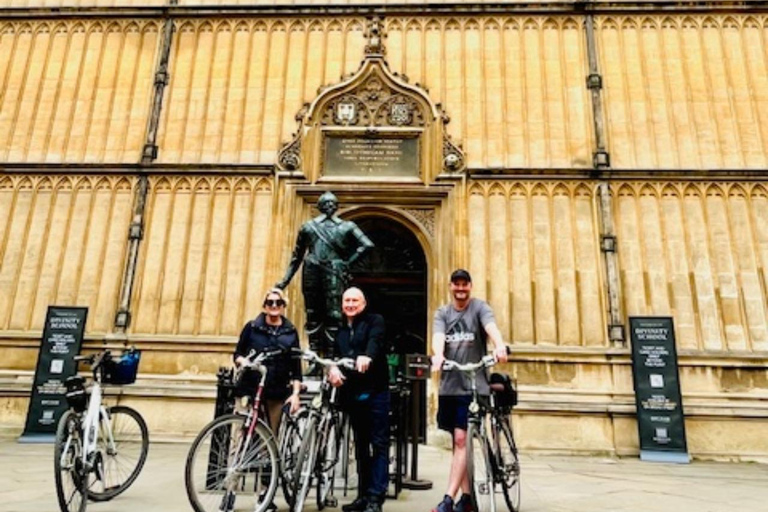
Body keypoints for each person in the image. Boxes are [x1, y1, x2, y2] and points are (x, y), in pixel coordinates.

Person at [430, 270, 509, 512]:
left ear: (470, 286)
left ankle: (447, 499)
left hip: (474, 385)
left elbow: (490, 326)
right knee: (459, 443)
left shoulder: (479, 308)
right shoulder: (443, 313)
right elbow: (438, 337)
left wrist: (499, 345)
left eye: (465, 284)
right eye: (457, 284)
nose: (461, 288)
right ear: (450, 286)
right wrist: (439, 356)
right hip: (450, 386)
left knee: (462, 439)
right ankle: (467, 499)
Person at [275, 191, 374, 357]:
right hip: (311, 269)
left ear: (336, 206)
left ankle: (331, 355)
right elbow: (297, 256)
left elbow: (367, 245)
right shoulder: (308, 227)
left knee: (334, 314)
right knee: (312, 312)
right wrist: (284, 281)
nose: (329, 206)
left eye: (332, 203)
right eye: (326, 204)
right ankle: (314, 356)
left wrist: (347, 262)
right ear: (320, 206)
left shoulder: (347, 226)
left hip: (333, 270)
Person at [328, 287, 389, 512]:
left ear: (363, 303)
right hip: (353, 394)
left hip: (375, 392)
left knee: (379, 444)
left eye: (355, 300)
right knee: (361, 446)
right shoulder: (341, 329)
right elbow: (333, 355)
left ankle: (376, 497)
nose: (350, 304)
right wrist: (332, 369)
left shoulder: (375, 321)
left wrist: (367, 356)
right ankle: (363, 495)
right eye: (347, 300)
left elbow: (376, 341)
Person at [234, 288, 302, 434]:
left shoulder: (290, 332)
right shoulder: (251, 328)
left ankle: (268, 457)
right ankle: (239, 457)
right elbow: (238, 354)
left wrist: (295, 394)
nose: (274, 305)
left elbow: (296, 369)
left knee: (271, 436)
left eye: (278, 302)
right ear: (264, 306)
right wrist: (244, 362)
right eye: (270, 302)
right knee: (242, 433)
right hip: (250, 388)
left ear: (284, 306)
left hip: (276, 392)